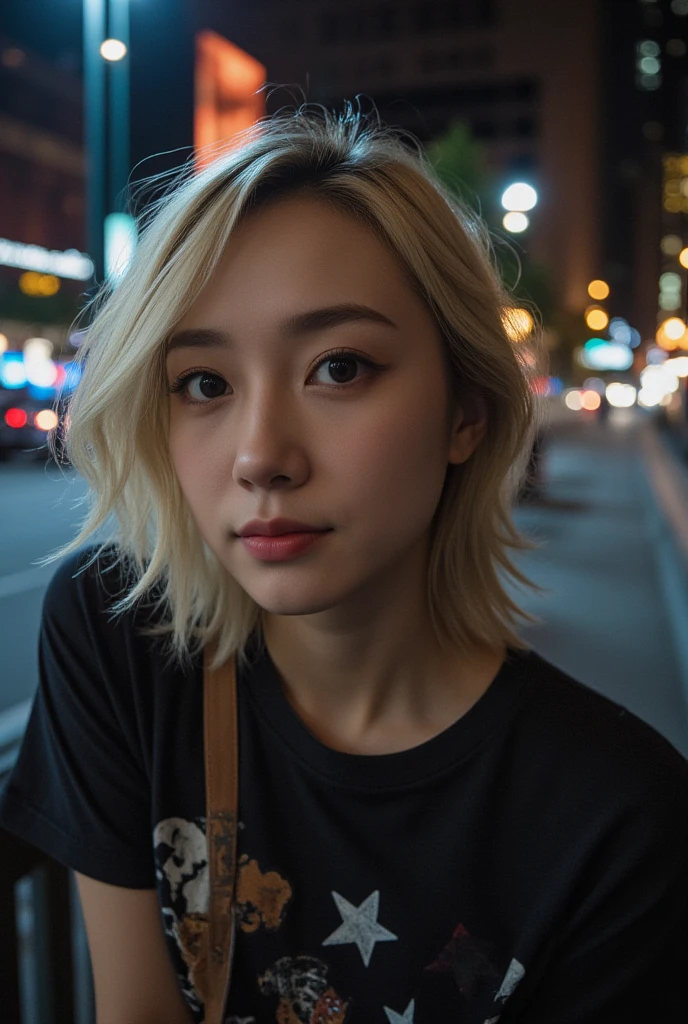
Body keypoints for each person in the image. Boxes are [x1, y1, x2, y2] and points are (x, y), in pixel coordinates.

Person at [1, 104, 686, 1024]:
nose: (260, 455)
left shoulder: (622, 818)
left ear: (466, 412)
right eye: (204, 383)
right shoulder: (122, 637)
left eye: (340, 368)